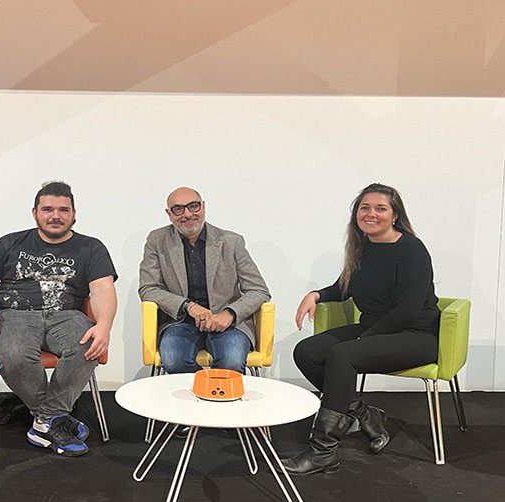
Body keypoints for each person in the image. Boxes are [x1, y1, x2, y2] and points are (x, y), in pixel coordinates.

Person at [282, 183, 441, 476]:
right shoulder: (363, 247)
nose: (371, 214)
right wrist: (315, 294)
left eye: (381, 208)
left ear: (395, 215)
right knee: (306, 351)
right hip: (376, 328)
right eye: (364, 208)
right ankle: (364, 414)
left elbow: (406, 311)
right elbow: (345, 288)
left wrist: (362, 338)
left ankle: (322, 452)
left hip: (416, 334)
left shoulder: (411, 250)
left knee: (343, 354)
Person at [0, 181, 117, 457]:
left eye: (63, 210)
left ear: (73, 214)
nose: (55, 215)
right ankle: (54, 419)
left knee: (87, 345)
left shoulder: (91, 247)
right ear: (35, 213)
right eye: (48, 209)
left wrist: (104, 325)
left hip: (67, 315)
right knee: (13, 354)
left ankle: (45, 421)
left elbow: (102, 289)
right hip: (13, 314)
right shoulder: (10, 243)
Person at [138, 186, 270, 376]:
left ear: (203, 206)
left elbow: (259, 290)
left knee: (231, 361)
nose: (187, 214)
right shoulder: (157, 240)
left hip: (227, 323)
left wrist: (230, 313)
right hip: (180, 321)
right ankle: (200, 392)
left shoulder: (231, 241)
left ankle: (214, 393)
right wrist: (188, 306)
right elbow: (148, 288)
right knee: (174, 360)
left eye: (193, 206)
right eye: (178, 209)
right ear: (169, 214)